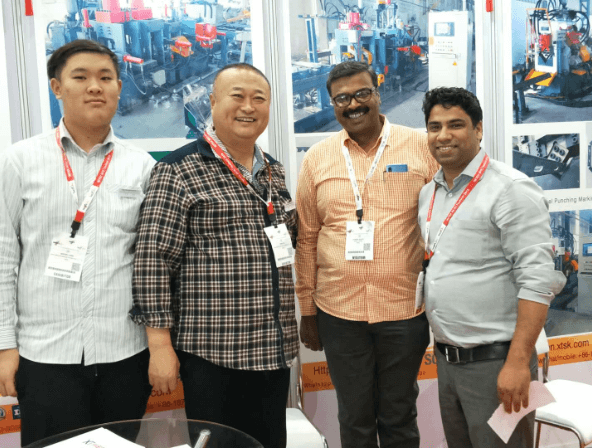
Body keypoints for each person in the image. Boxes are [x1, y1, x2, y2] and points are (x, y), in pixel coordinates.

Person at [131, 63, 298, 448]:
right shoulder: (178, 170)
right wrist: (160, 346)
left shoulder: (272, 170)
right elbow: (153, 259)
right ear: (213, 102)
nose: (248, 107)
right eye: (237, 96)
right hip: (213, 353)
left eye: (259, 98)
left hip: (272, 348)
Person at [0, 39, 155, 445]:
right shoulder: (19, 160)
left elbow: (152, 262)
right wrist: (4, 345)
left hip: (124, 353)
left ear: (119, 87)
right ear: (57, 87)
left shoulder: (142, 166)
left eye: (106, 78)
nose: (95, 87)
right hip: (44, 354)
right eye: (81, 77)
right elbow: (3, 257)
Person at [295, 61, 438, 448]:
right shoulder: (317, 158)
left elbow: (443, 223)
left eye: (362, 94)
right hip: (338, 313)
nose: (353, 104)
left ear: (378, 93)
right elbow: (307, 238)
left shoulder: (420, 147)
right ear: (332, 104)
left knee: (398, 415)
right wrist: (307, 311)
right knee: (354, 417)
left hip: (404, 310)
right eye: (342, 98)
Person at [418, 87, 566, 448]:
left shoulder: (511, 189)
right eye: (435, 127)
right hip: (449, 362)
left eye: (456, 125)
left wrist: (517, 363)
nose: (443, 135)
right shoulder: (429, 193)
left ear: (478, 129)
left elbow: (538, 282)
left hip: (497, 363)